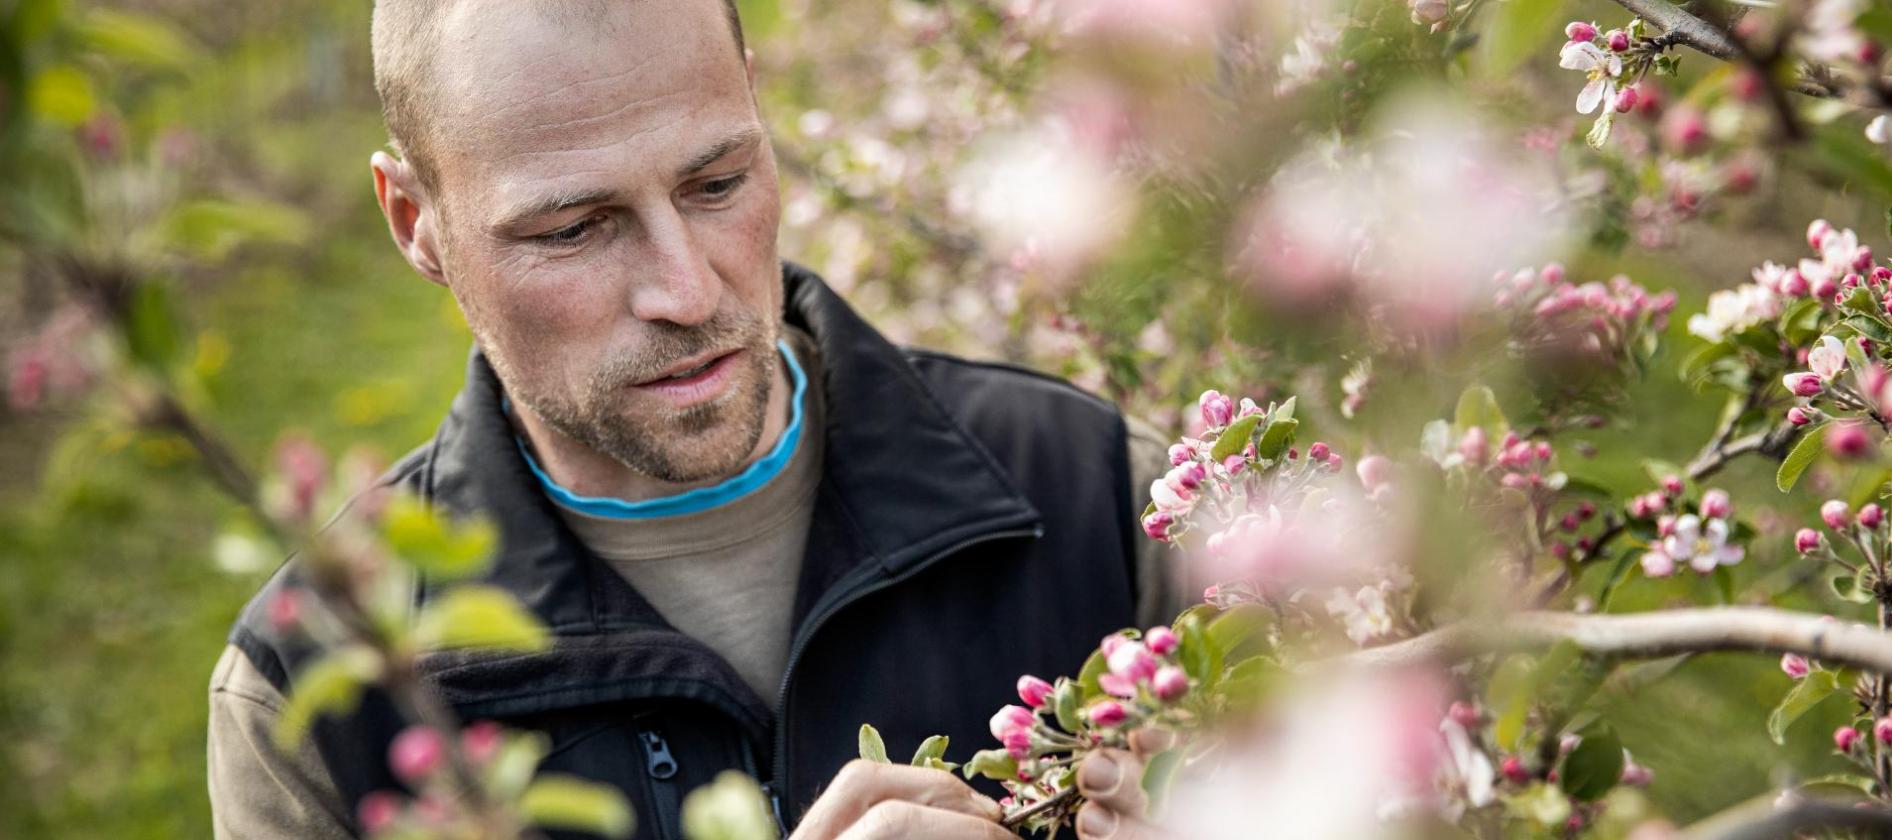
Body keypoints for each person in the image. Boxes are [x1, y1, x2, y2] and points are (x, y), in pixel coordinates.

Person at [207, 1, 1185, 837]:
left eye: (716, 184)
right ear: (416, 223)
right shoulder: (307, 695)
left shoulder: (1100, 494)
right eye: (572, 228)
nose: (685, 287)